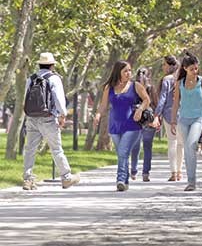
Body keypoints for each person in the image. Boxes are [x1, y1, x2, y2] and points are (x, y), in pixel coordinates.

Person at [22, 52, 80, 191]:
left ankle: (27, 179)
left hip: (31, 118)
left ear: (39, 65)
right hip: (48, 118)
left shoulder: (31, 78)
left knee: (30, 149)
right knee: (56, 149)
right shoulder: (54, 78)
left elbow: (26, 97)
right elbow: (58, 99)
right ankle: (66, 178)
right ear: (52, 65)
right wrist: (62, 115)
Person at [93, 60, 152, 191]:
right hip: (115, 126)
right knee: (121, 154)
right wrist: (98, 115)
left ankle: (120, 179)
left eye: (130, 70)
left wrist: (140, 109)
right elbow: (103, 105)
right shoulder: (109, 88)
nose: (128, 73)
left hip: (132, 125)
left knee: (123, 152)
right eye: (125, 71)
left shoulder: (135, 86)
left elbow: (147, 100)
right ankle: (125, 182)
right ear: (118, 72)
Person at [170, 52, 202, 191]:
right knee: (188, 149)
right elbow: (175, 104)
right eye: (191, 69)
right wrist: (173, 121)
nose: (195, 71)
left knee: (191, 144)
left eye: (196, 68)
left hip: (197, 119)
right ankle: (191, 181)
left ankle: (192, 181)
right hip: (183, 120)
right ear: (185, 68)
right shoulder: (179, 84)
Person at [155, 55, 182, 181]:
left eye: (164, 64)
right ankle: (180, 171)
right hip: (182, 113)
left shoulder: (166, 79)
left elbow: (163, 99)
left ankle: (173, 172)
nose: (163, 67)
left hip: (169, 114)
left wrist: (157, 114)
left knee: (172, 142)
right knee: (180, 144)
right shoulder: (182, 78)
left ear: (170, 66)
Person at [129, 67, 154, 180]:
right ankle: (145, 173)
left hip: (137, 120)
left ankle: (134, 171)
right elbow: (156, 103)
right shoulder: (150, 88)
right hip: (147, 119)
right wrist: (156, 118)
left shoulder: (133, 88)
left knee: (136, 146)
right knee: (147, 147)